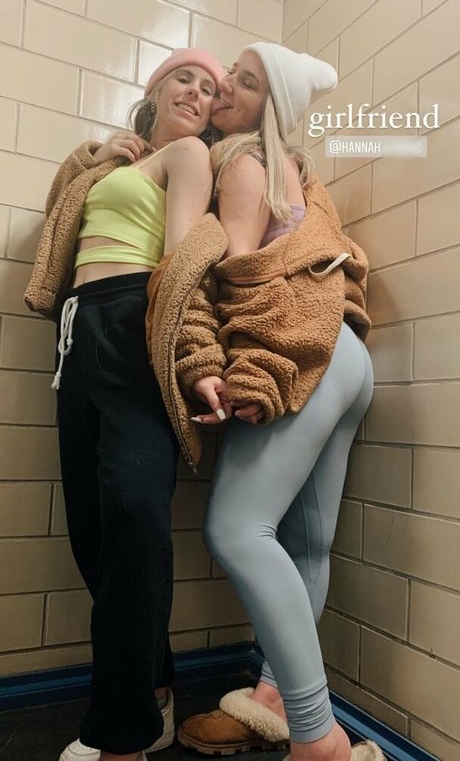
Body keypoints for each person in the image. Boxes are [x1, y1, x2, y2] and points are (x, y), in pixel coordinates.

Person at [146, 43, 384, 761]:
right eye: (231, 77)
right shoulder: (295, 172)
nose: (224, 90)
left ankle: (318, 735)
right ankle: (276, 698)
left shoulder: (243, 162)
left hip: (300, 354)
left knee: (236, 529)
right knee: (305, 543)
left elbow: (244, 273)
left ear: (269, 107)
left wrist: (251, 371)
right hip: (345, 354)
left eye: (244, 84)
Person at [24, 48, 225, 761]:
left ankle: (121, 742)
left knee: (136, 519)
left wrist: (197, 360)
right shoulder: (116, 163)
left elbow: (182, 264)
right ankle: (155, 694)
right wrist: (97, 155)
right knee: (94, 535)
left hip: (135, 319)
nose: (196, 93)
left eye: (210, 88)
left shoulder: (189, 158)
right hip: (76, 334)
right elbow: (58, 224)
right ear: (155, 88)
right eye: (184, 79)